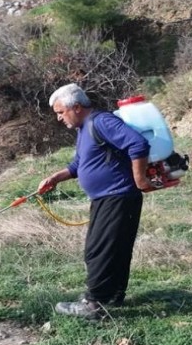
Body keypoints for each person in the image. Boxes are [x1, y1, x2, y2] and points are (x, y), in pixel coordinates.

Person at [38, 83, 152, 320]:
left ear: (77, 107)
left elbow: (137, 144)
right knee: (116, 248)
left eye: (61, 112)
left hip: (118, 196)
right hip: (108, 198)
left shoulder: (102, 122)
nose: (59, 118)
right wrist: (56, 178)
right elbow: (78, 164)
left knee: (98, 250)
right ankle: (113, 294)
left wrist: (140, 179)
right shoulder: (84, 129)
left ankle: (93, 304)